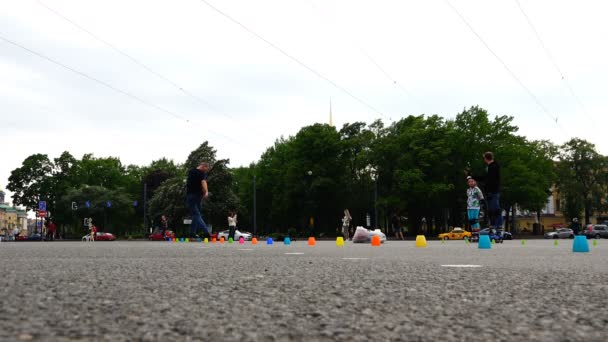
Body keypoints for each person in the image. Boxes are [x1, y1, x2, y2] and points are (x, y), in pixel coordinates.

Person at [469, 152, 501, 228]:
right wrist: (473, 177)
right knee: (491, 209)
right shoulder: (493, 166)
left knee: (495, 209)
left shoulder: (493, 167)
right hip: (492, 191)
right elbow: (487, 178)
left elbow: (488, 179)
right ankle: (494, 225)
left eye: (484, 158)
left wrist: (488, 188)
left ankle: (498, 226)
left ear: (486, 158)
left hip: (493, 191)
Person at [186, 161, 211, 239]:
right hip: (198, 196)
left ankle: (192, 234)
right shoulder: (201, 173)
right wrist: (206, 191)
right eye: (206, 169)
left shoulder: (191, 171)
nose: (206, 171)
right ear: (203, 166)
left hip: (191, 195)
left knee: (196, 215)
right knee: (196, 215)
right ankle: (206, 233)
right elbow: (203, 182)